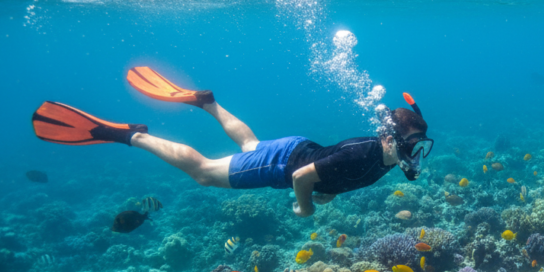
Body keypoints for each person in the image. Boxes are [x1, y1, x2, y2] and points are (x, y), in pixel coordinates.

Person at [31, 67, 432, 217]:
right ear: (392, 137)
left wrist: (328, 190)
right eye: (414, 146)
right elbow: (304, 177)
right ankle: (128, 135)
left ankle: (208, 103)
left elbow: (337, 173)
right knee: (204, 173)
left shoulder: (385, 158)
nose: (417, 154)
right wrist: (306, 207)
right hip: (284, 166)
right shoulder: (368, 152)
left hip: (293, 149)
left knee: (249, 145)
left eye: (420, 147)